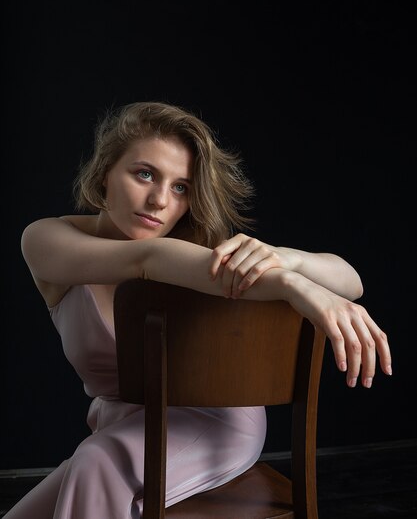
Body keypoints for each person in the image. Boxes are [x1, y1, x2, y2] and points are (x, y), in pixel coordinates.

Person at [6, 100, 392, 518]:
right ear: (103, 175)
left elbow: (350, 280)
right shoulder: (45, 239)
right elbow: (147, 259)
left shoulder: (196, 255)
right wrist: (291, 285)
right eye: (144, 174)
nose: (158, 200)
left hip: (216, 424)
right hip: (122, 430)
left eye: (180, 187)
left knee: (96, 463)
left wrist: (289, 261)